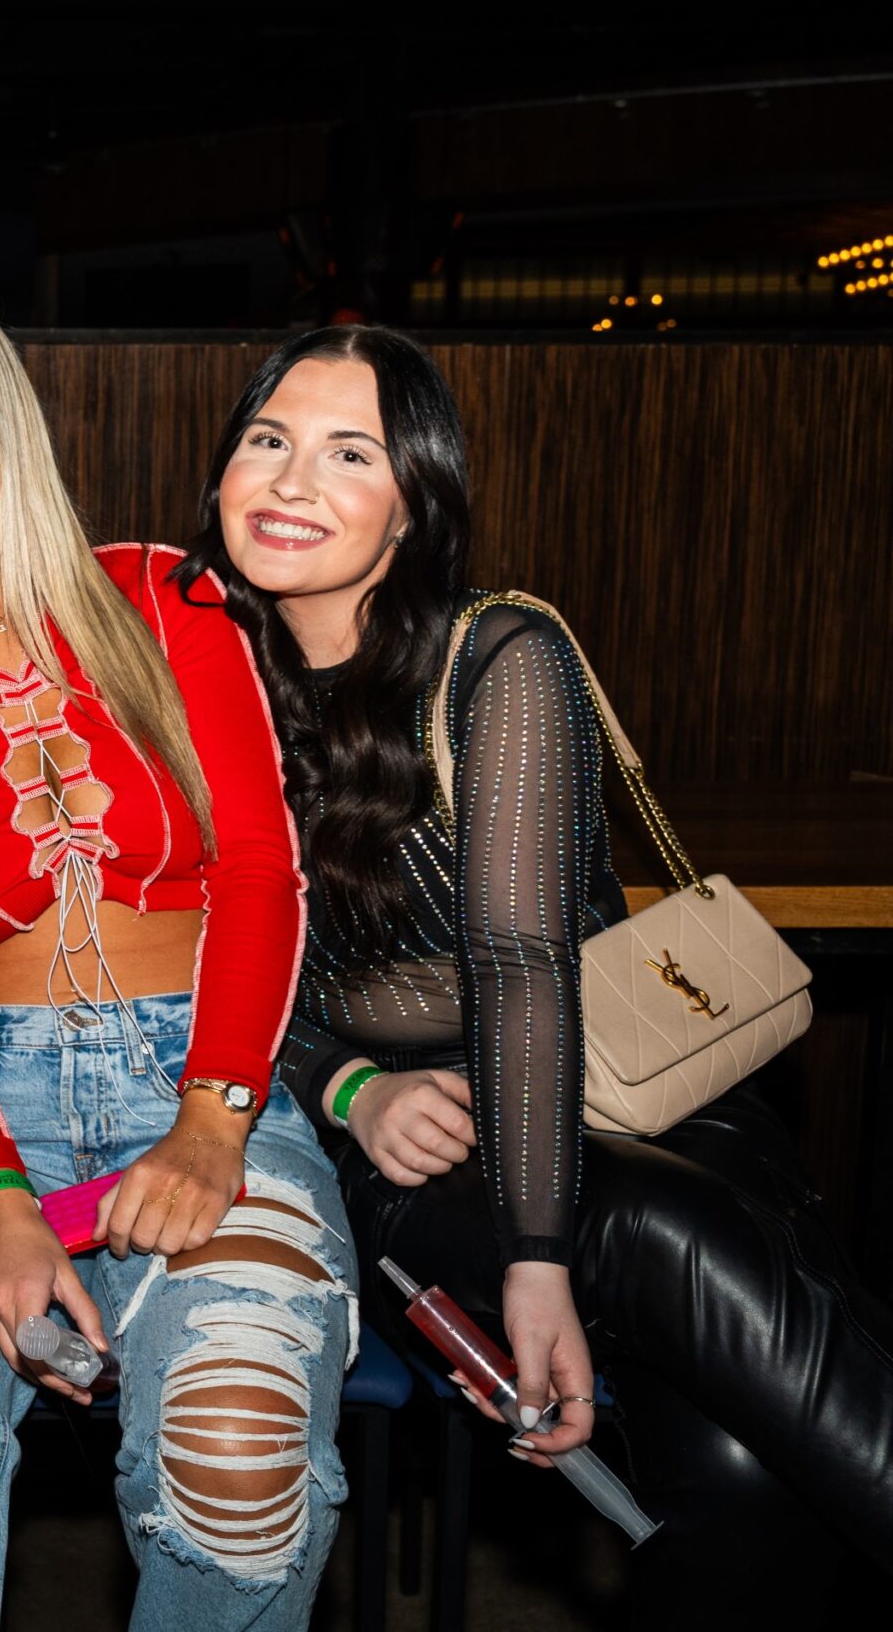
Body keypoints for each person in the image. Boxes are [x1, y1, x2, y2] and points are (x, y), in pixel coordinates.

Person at [185, 324, 893, 1618]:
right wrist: (344, 1084)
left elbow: (519, 961)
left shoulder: (498, 655)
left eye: (350, 453)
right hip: (397, 1143)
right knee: (673, 1240)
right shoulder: (182, 672)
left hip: (613, 1091)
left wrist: (537, 1252)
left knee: (744, 1477)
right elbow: (155, 948)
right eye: (267, 441)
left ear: (414, 502)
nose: (290, 483)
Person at [0, 275, 352, 1632]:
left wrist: (216, 1120)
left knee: (238, 1453)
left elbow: (263, 873)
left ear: (8, 414)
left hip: (198, 1074)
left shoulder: (164, 597)